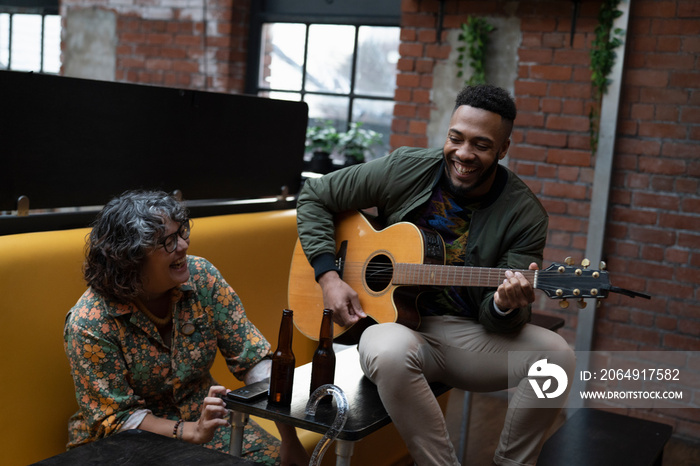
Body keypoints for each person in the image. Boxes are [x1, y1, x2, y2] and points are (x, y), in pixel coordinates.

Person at [295, 84, 576, 466]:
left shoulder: (524, 214)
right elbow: (315, 194)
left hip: (465, 333)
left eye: (480, 144)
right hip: (394, 326)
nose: (463, 153)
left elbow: (503, 321)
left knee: (558, 357)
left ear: (503, 149)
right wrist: (329, 276)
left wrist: (504, 305)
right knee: (389, 351)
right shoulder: (405, 168)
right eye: (455, 138)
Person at [64, 190, 309, 466]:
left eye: (182, 232)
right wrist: (190, 432)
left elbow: (253, 359)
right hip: (124, 444)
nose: (182, 246)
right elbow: (116, 418)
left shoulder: (202, 277)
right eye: (167, 242)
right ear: (130, 259)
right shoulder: (91, 321)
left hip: (206, 421)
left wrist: (290, 439)